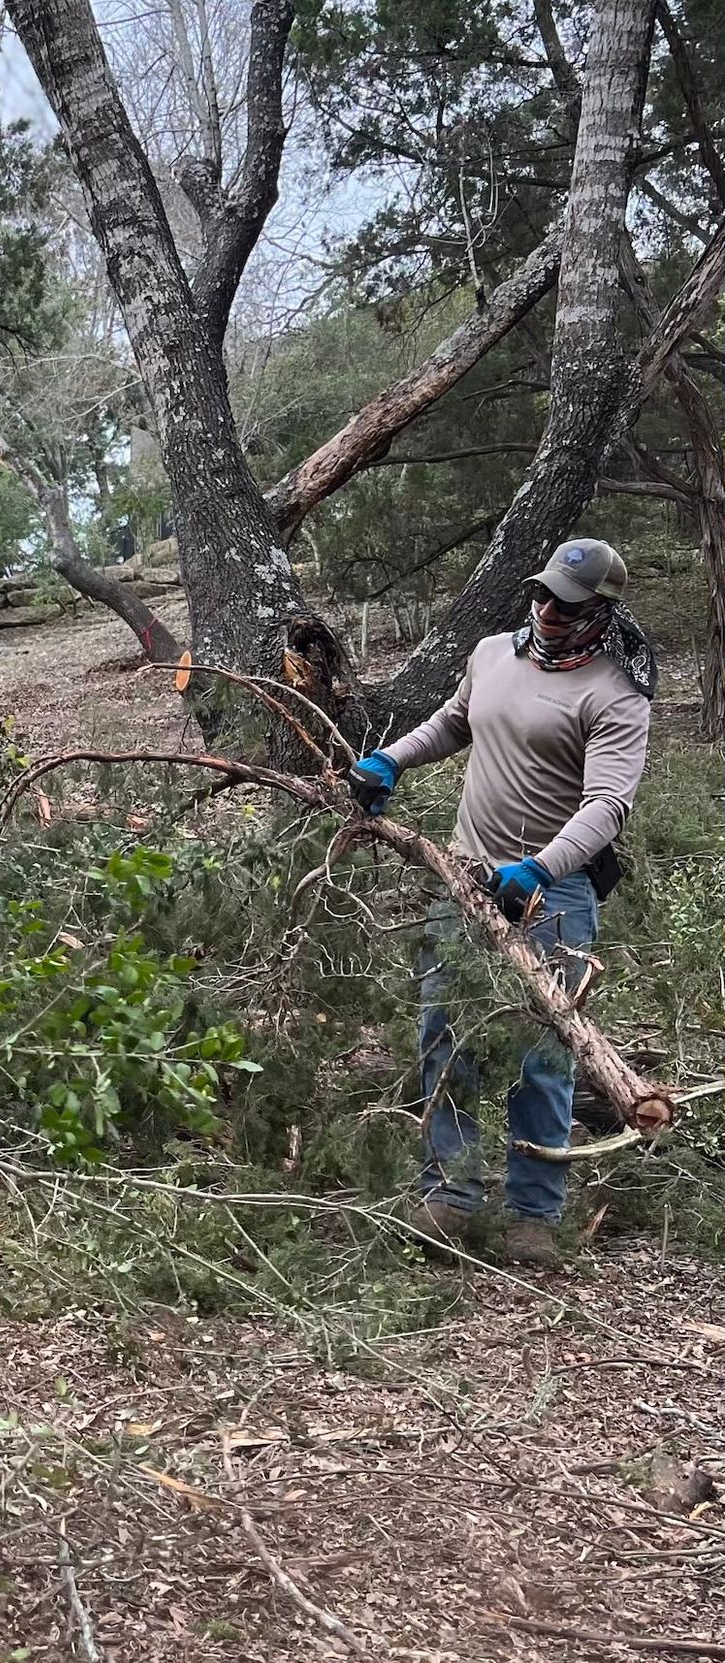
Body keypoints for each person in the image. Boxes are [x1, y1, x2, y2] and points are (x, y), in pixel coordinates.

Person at [347, 538, 655, 1269]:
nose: (547, 611)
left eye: (567, 604)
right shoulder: (492, 653)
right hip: (465, 878)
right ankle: (450, 1197)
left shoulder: (615, 692)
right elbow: (456, 720)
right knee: (445, 1035)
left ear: (602, 612)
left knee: (540, 1053)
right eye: (542, 595)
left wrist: (539, 869)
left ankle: (534, 1216)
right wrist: (391, 756)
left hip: (555, 891)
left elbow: (608, 804)